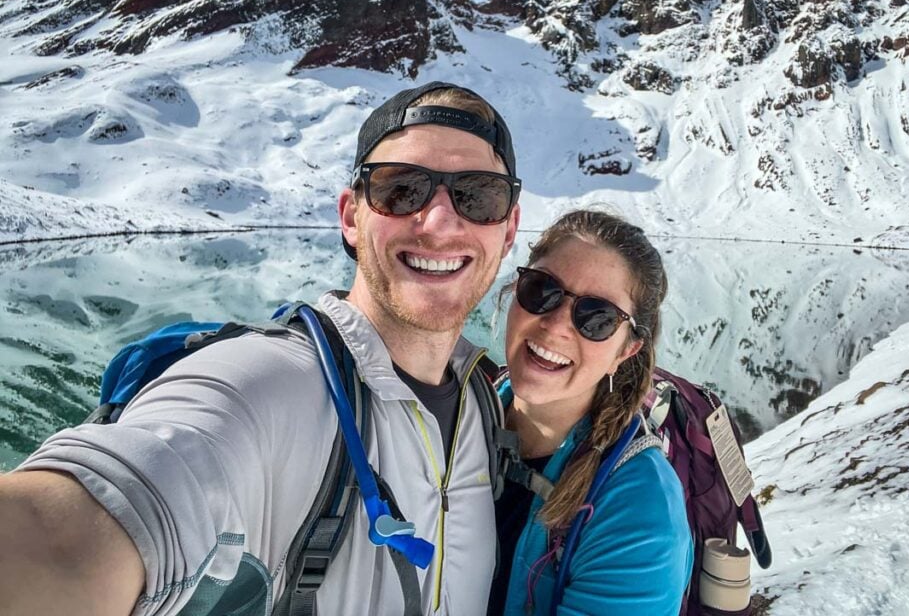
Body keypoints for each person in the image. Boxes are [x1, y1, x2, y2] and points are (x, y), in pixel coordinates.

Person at [0, 81, 521, 616]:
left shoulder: (485, 399)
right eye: (401, 189)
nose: (438, 222)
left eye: (479, 196)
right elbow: (91, 519)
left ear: (508, 231)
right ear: (350, 217)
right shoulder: (268, 385)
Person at [490, 209, 692, 615]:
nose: (557, 326)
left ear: (627, 350)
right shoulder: (459, 414)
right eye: (541, 290)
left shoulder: (641, 510)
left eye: (597, 318)